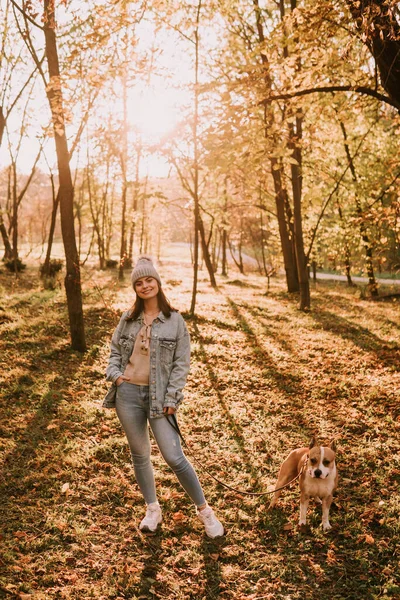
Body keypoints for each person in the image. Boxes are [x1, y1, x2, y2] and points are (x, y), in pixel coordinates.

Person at [103, 256, 224, 538]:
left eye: (149, 280)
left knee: (174, 456)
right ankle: (153, 509)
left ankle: (205, 512)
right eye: (139, 282)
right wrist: (117, 376)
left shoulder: (175, 321)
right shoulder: (128, 318)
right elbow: (114, 353)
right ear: (135, 287)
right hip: (128, 395)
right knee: (140, 455)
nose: (145, 286)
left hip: (161, 399)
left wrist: (172, 397)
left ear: (158, 282)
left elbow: (182, 364)